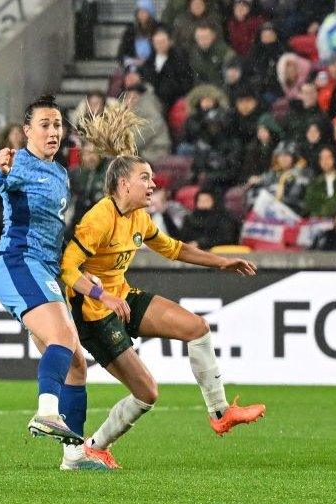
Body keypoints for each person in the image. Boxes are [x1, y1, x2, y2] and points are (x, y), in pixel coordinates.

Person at [62, 101, 265, 469]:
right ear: (124, 184)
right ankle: (93, 446)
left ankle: (220, 413)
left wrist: (223, 261)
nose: (153, 184)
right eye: (146, 178)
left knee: (197, 328)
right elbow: (67, 269)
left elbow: (173, 248)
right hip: (94, 314)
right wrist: (102, 294)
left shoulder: (139, 217)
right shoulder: (98, 219)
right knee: (147, 392)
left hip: (121, 298)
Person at [0, 96, 88, 447]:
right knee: (63, 339)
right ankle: (47, 412)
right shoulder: (18, 163)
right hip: (18, 262)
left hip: (45, 271)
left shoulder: (60, 173)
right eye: (45, 125)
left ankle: (75, 452)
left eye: (57, 125)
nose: (53, 131)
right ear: (27, 131)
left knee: (77, 365)